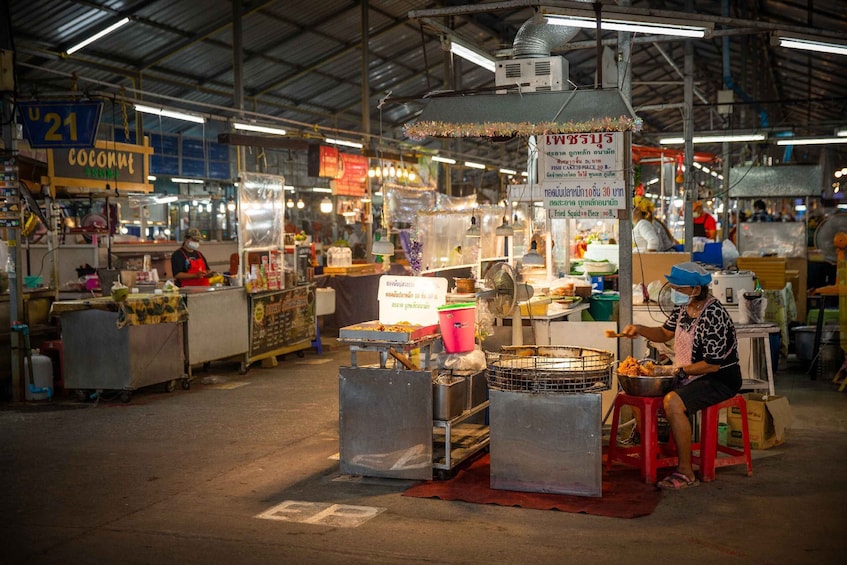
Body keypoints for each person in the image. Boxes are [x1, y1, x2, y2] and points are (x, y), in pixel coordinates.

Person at [622, 262, 741, 490]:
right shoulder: (683, 308)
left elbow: (713, 365)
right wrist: (639, 328)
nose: (675, 292)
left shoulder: (714, 314)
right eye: (674, 287)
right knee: (635, 390)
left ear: (696, 289)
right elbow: (664, 332)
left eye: (680, 288)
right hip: (689, 372)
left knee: (673, 402)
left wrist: (678, 371)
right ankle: (653, 452)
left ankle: (686, 472)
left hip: (720, 378)